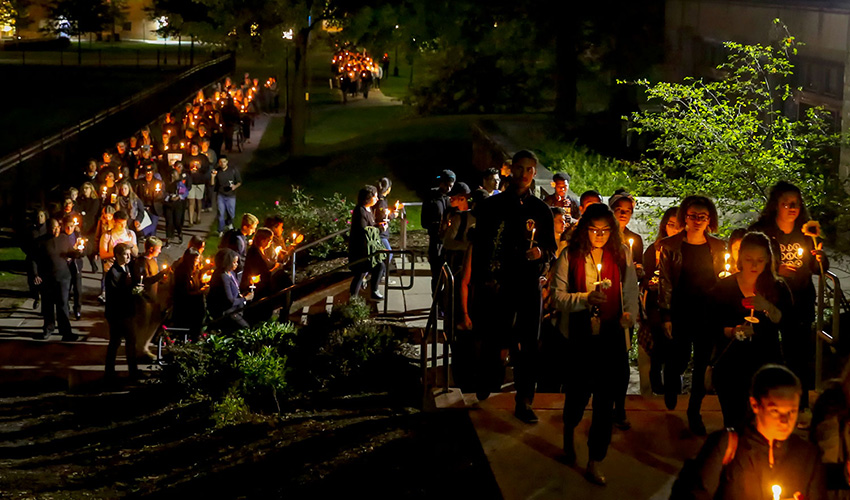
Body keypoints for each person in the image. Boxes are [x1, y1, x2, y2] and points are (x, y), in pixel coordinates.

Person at [550, 203, 639, 485]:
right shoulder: (570, 255)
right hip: (580, 338)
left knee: (605, 401)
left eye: (605, 230)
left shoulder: (621, 254)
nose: (599, 235)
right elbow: (557, 297)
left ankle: (595, 458)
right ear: (584, 230)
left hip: (611, 338)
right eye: (593, 230)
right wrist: (585, 299)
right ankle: (569, 434)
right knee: (577, 395)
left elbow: (630, 291)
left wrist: (629, 315)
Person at [470, 150, 556, 424]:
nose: (524, 174)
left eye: (529, 170)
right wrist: (482, 280)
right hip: (498, 283)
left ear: (534, 173)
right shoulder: (491, 207)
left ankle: (524, 400)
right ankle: (487, 378)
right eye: (519, 168)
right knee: (494, 336)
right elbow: (481, 247)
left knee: (529, 344)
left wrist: (540, 253)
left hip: (528, 284)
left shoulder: (540, 210)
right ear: (510, 170)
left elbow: (551, 248)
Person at [670, 364, 826, 500]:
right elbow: (693, 494)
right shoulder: (728, 446)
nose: (785, 421)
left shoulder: (807, 455)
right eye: (775, 411)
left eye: (792, 411)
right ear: (755, 405)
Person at [749, 181, 828, 423]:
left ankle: (799, 405)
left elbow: (818, 268)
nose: (792, 208)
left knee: (799, 354)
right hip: (771, 299)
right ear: (776, 205)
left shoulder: (808, 232)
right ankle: (766, 403)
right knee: (767, 352)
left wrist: (819, 259)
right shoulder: (762, 232)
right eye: (786, 203)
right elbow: (750, 260)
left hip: (800, 301)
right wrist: (775, 270)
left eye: (796, 203)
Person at [658, 196, 726, 436]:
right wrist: (666, 314)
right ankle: (671, 381)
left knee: (701, 363)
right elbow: (665, 281)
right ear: (684, 217)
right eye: (692, 216)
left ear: (709, 219)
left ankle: (694, 411)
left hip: (707, 311)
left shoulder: (717, 246)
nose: (697, 221)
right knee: (679, 356)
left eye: (702, 217)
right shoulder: (670, 246)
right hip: (681, 309)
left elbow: (722, 277)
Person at [710, 232, 791, 430]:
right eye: (748, 259)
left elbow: (788, 323)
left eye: (760, 260)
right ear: (740, 258)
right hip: (732, 364)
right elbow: (711, 325)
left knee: (763, 422)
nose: (754, 265)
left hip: (765, 362)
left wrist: (768, 307)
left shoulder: (777, 287)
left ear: (768, 260)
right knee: (735, 422)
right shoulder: (724, 288)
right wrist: (733, 331)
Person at [640, 206, 681, 395]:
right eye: (671, 224)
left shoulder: (686, 250)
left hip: (678, 305)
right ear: (665, 226)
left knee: (675, 348)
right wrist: (650, 282)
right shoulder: (655, 250)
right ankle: (656, 386)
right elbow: (647, 277)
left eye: (678, 225)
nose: (675, 229)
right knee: (657, 344)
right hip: (656, 305)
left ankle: (674, 388)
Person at [31, 218, 79, 341]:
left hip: (63, 277)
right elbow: (33, 259)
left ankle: (66, 331)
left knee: (63, 304)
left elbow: (70, 252)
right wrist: (35, 274)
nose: (55, 230)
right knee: (48, 305)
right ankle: (48, 328)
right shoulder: (41, 242)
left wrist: (78, 252)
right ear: (48, 229)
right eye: (53, 228)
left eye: (57, 228)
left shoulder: (64, 238)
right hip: (47, 278)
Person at [104, 242, 139, 383]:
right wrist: (129, 289)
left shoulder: (127, 267)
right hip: (118, 314)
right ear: (117, 255)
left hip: (127, 311)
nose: (129, 257)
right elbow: (115, 295)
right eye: (125, 254)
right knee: (117, 342)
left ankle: (130, 371)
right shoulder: (113, 273)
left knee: (127, 341)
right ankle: (112, 372)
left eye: (129, 254)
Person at [349, 186, 386, 301]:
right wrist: (380, 229)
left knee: (378, 266)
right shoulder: (360, 211)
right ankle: (354, 299)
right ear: (368, 198)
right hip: (361, 249)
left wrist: (379, 225)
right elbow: (364, 230)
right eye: (375, 196)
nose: (377, 199)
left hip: (368, 249)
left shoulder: (368, 210)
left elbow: (371, 226)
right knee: (361, 272)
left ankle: (371, 291)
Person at [134, 237, 167, 360]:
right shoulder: (141, 262)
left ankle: (144, 346)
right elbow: (144, 281)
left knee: (155, 321)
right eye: (158, 249)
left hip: (153, 297)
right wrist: (160, 275)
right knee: (144, 324)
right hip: (145, 298)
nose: (160, 251)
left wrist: (162, 279)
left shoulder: (152, 260)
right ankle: (140, 349)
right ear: (151, 249)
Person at [421, 169, 455, 292]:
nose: (448, 188)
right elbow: (424, 222)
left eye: (451, 186)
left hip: (448, 241)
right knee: (436, 274)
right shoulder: (431, 198)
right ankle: (436, 299)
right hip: (436, 241)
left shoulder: (448, 199)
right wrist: (437, 226)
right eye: (446, 185)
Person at [207, 248, 253, 334]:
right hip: (226, 312)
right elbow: (229, 301)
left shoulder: (230, 273)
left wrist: (241, 295)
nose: (237, 264)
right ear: (227, 262)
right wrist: (245, 298)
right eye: (234, 262)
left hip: (235, 308)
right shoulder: (223, 277)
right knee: (245, 328)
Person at [171, 247, 207, 340]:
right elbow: (184, 292)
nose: (197, 262)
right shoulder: (183, 272)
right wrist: (200, 292)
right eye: (195, 260)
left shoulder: (193, 270)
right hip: (186, 305)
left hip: (194, 301)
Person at [220, 213, 259, 278]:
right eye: (252, 228)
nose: (254, 231)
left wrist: (247, 243)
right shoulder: (238, 241)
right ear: (245, 227)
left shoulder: (236, 234)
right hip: (236, 272)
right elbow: (238, 258)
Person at [77, 182, 101, 272]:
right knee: (83, 246)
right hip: (82, 226)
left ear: (91, 189)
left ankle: (93, 264)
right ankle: (91, 265)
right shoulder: (81, 200)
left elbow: (92, 213)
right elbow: (79, 210)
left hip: (91, 227)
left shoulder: (95, 201)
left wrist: (83, 214)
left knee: (89, 247)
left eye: (87, 188)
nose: (85, 190)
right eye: (84, 188)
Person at [214, 157, 242, 234]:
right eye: (221, 162)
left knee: (231, 213)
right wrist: (212, 177)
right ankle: (221, 230)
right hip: (220, 195)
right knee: (221, 213)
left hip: (231, 195)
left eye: (224, 162)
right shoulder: (217, 171)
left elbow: (239, 181)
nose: (222, 163)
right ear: (219, 163)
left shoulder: (232, 170)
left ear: (227, 162)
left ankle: (229, 223)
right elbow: (212, 184)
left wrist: (234, 186)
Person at [163, 167, 189, 245]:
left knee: (177, 221)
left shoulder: (179, 183)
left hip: (177, 204)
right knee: (169, 222)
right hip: (168, 204)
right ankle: (169, 238)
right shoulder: (165, 183)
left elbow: (184, 192)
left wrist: (178, 196)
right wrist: (169, 197)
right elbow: (162, 193)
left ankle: (179, 233)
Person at [185, 143, 210, 226]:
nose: (194, 149)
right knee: (191, 201)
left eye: (195, 147)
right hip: (190, 182)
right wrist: (189, 170)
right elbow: (183, 168)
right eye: (192, 147)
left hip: (200, 182)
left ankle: (198, 217)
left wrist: (200, 167)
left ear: (198, 148)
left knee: (199, 200)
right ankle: (190, 221)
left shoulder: (203, 157)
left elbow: (206, 168)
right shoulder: (187, 157)